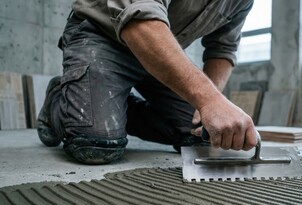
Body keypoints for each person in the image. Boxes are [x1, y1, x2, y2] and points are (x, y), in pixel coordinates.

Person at [37, 0, 258, 164]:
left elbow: (222, 49)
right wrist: (209, 99)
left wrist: (209, 107)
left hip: (160, 51)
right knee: (95, 146)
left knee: (199, 136)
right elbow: (139, 18)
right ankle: (59, 99)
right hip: (103, 34)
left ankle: (107, 105)